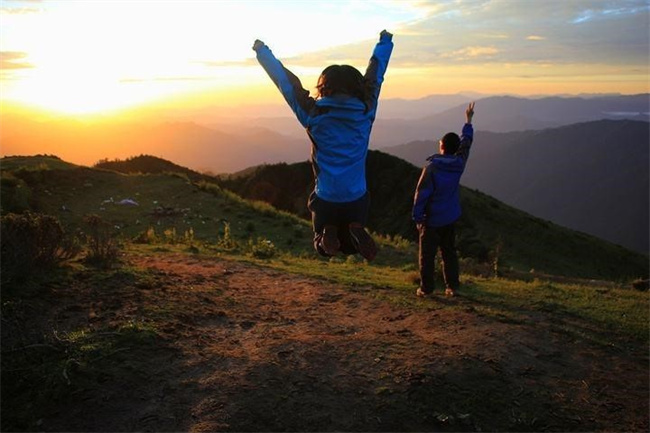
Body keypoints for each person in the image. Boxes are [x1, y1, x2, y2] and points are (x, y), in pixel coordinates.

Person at [252, 30, 393, 261]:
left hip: (326, 194)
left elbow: (286, 84)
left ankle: (324, 232)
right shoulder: (367, 109)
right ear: (358, 87)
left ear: (323, 87)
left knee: (322, 246)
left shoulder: (313, 113)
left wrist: (262, 52)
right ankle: (355, 227)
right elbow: (376, 73)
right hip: (356, 195)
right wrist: (385, 42)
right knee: (349, 248)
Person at [412, 102, 475, 297]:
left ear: (442, 147)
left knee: (427, 256)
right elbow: (466, 142)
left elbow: (421, 195)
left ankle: (427, 289)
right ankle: (452, 287)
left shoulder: (431, 169)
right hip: (449, 217)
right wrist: (468, 121)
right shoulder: (459, 163)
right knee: (449, 253)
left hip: (431, 220)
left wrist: (417, 217)